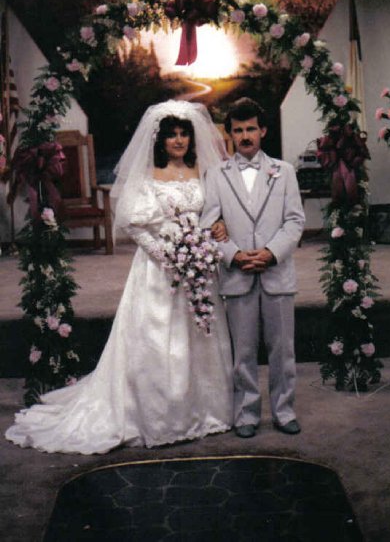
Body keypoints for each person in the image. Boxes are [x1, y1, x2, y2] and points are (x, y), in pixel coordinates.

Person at [5, 100, 233, 454]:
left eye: (183, 134)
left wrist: (207, 239)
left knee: (199, 335)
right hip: (159, 269)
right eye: (171, 135)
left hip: (197, 269)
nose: (178, 141)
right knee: (159, 339)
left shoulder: (202, 171)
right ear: (159, 140)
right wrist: (167, 255)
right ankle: (163, 415)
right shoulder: (149, 175)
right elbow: (134, 225)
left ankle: (204, 411)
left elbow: (214, 213)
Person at [200, 97, 305, 438]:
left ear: (263, 131)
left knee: (282, 349)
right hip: (237, 274)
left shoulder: (284, 171)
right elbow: (208, 224)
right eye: (238, 130)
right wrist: (233, 254)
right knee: (243, 351)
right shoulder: (216, 175)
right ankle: (246, 413)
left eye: (251, 129)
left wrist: (271, 253)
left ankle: (284, 410)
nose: (245, 136)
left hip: (277, 273)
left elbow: (294, 221)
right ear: (229, 134)